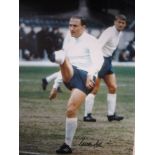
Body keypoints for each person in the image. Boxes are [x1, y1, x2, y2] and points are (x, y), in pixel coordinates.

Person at [48, 16, 103, 154]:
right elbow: (64, 67)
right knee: (65, 58)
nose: (71, 28)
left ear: (83, 27)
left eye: (75, 26)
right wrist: (55, 86)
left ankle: (67, 145)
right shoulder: (68, 38)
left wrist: (91, 75)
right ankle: (59, 56)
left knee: (71, 109)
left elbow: (98, 61)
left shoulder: (91, 41)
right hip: (71, 73)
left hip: (85, 77)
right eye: (70, 25)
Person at [83, 14, 127, 122]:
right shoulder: (109, 32)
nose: (121, 24)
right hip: (100, 61)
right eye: (119, 22)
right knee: (94, 89)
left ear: (125, 24)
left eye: (123, 23)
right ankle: (87, 115)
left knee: (113, 87)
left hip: (108, 61)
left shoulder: (118, 33)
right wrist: (95, 64)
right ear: (115, 22)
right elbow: (97, 46)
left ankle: (111, 115)